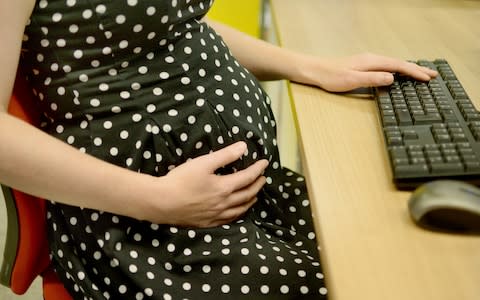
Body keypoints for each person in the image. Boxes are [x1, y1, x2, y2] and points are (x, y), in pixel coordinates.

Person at [0, 1, 437, 299]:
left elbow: (175, 25)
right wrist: (158, 200)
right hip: (144, 230)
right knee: (360, 283)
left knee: (388, 244)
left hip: (239, 201)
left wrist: (312, 66)